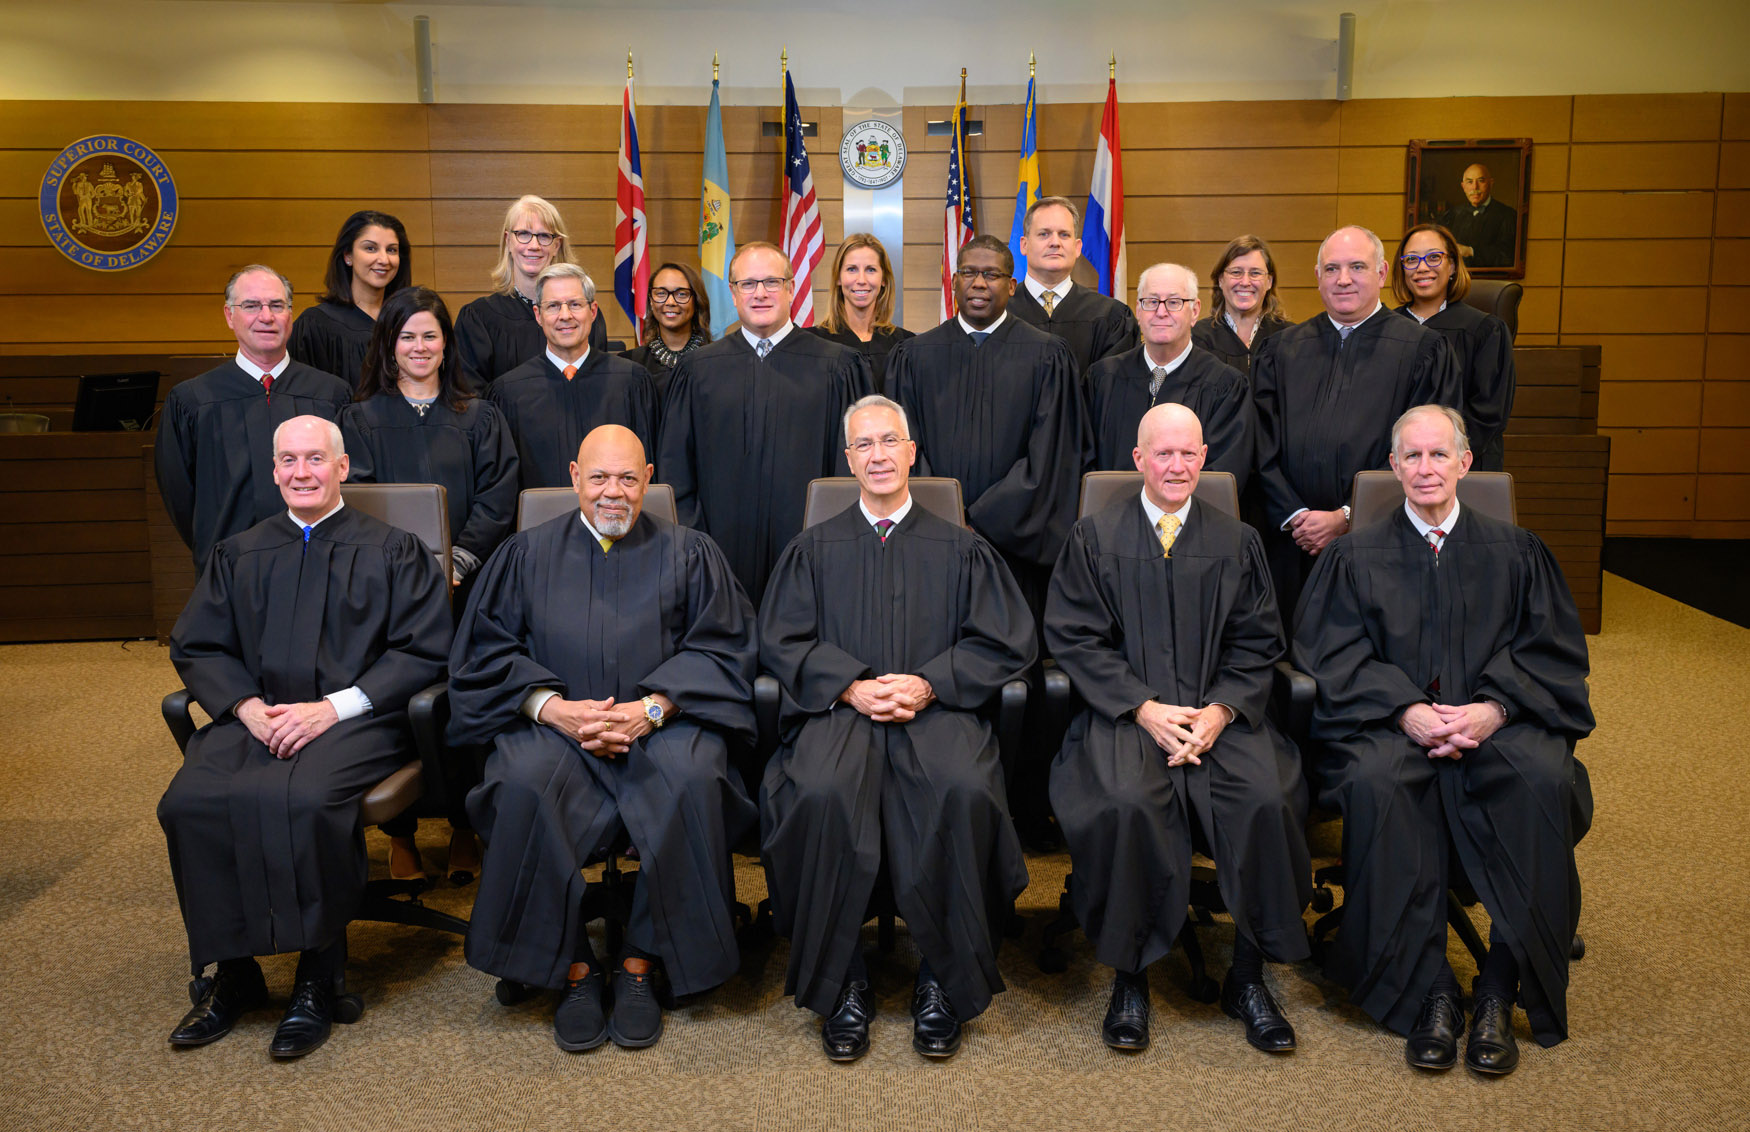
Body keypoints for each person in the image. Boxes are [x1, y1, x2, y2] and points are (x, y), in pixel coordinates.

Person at [1293, 404, 1594, 1076]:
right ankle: (1428, 989)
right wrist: (1405, 709)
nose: (1426, 468)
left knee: (1542, 780)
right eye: (1412, 456)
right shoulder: (1352, 556)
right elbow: (1329, 656)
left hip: (1498, 724)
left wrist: (1493, 709)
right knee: (1380, 782)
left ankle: (1498, 987)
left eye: (1439, 454)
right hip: (1392, 726)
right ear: (1393, 466)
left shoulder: (1517, 552)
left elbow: (1549, 653)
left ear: (1466, 462)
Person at [448, 425, 759, 1052]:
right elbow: (483, 655)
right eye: (598, 477)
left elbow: (724, 649)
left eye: (627, 478)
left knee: (693, 777)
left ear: (648, 480)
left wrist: (653, 708)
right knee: (523, 782)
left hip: (661, 726)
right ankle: (574, 967)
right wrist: (552, 709)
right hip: (556, 730)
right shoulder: (524, 554)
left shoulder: (691, 553)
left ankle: (641, 958)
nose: (612, 492)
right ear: (574, 477)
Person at [158, 415, 451, 1059]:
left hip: (359, 719)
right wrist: (245, 707)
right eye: (288, 461)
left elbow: (425, 650)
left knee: (307, 800)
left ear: (342, 467)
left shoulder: (393, 550)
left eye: (315, 459)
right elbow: (199, 644)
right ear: (274, 471)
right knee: (189, 802)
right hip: (260, 716)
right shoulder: (240, 553)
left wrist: (330, 709)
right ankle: (234, 974)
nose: (301, 472)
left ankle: (318, 977)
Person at [759, 395, 1036, 1062]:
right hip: (840, 713)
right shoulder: (812, 549)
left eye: (890, 442)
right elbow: (782, 640)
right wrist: (849, 685)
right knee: (820, 791)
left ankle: (943, 977)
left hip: (936, 712)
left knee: (962, 788)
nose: (878, 455)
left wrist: (929, 682)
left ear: (912, 453)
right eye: (864, 445)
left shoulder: (962, 547)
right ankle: (842, 979)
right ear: (848, 459)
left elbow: (1005, 641)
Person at [1048, 403, 1311, 1055]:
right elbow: (1075, 638)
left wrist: (1220, 711)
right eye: (1163, 453)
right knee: (1127, 801)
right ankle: (1129, 977)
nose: (1176, 466)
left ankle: (1247, 978)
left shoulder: (1237, 541)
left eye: (1188, 453)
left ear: (1204, 459)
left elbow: (1258, 643)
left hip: (1220, 717)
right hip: (1129, 716)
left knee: (1266, 798)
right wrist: (1143, 707)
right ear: (1138, 459)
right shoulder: (1094, 536)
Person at [341, 286, 518, 885]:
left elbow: (497, 496)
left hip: (467, 588)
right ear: (388, 345)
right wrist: (405, 579)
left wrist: (459, 562)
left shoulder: (479, 415)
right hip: (387, 596)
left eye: (430, 335)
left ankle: (466, 826)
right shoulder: (361, 419)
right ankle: (401, 835)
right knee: (391, 704)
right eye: (406, 336)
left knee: (464, 703)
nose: (419, 347)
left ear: (447, 344)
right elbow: (360, 503)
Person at [1250, 225, 1459, 617]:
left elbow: (1423, 454)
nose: (1343, 279)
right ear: (1318, 277)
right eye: (1332, 269)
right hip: (1292, 541)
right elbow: (1261, 443)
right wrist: (1295, 515)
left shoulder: (1422, 351)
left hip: (1381, 540)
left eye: (1357, 267)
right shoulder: (1281, 350)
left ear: (1381, 273)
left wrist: (1348, 515)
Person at [656, 241, 872, 605]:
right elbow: (676, 468)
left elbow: (850, 467)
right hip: (716, 558)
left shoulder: (837, 366)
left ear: (790, 288)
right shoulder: (698, 370)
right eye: (748, 284)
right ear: (733, 293)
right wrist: (695, 543)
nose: (760, 293)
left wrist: (832, 542)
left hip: (814, 555)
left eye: (772, 282)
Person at [155, 266, 352, 568]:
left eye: (277, 305)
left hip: (322, 563)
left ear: (290, 314)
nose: (266, 316)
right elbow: (179, 496)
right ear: (229, 315)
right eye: (251, 306)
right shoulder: (193, 400)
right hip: (229, 566)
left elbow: (347, 484)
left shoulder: (330, 394)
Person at [487, 264, 659, 489]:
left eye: (575, 304)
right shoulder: (509, 392)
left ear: (593, 311)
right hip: (539, 512)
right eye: (553, 306)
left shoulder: (632, 381)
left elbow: (649, 474)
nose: (565, 316)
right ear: (538, 315)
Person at [1086, 263, 1255, 489]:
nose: (1161, 312)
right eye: (1151, 302)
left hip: (1189, 512)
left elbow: (1222, 477)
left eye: (1174, 302)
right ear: (1138, 311)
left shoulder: (1225, 386)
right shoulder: (1103, 378)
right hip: (1110, 510)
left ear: (1195, 311)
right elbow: (1084, 463)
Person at [1392, 223, 1516, 472]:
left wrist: (1439, 459)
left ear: (1452, 266)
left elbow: (1487, 415)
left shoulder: (1484, 330)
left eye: (1434, 257)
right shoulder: (1385, 329)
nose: (1422, 267)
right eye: (1411, 260)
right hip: (1395, 467)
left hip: (1463, 468)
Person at [454, 195, 608, 389]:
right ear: (508, 241)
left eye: (544, 236)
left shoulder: (582, 314)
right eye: (523, 234)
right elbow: (469, 396)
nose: (534, 246)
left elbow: (598, 385)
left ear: (557, 245)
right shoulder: (478, 318)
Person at [1008, 196, 1139, 375]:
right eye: (1044, 234)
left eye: (1064, 234)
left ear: (1077, 247)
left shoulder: (1111, 316)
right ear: (1024, 245)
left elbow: (1115, 384)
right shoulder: (999, 311)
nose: (1055, 242)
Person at [288, 210, 413, 385]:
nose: (384, 259)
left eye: (391, 250)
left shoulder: (409, 323)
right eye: (371, 248)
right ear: (348, 255)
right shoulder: (315, 325)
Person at [808, 234, 914, 395]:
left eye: (871, 270)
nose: (861, 280)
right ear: (838, 278)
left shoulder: (905, 345)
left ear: (883, 279)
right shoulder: (814, 343)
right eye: (852, 269)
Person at [1191, 234, 1294, 377]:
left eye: (1255, 273)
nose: (1245, 282)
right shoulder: (1197, 339)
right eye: (1236, 272)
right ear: (1221, 280)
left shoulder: (1290, 338)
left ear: (1269, 282)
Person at [619, 262, 712, 401]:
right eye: (661, 293)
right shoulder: (629, 364)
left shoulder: (717, 361)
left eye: (681, 294)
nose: (670, 302)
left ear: (696, 301)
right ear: (651, 300)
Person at [1439, 163, 1518, 269]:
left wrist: (1471, 251)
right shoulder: (1453, 214)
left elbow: (1508, 256)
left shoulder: (1508, 215)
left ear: (1491, 183)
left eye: (1481, 181)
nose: (1475, 187)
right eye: (1470, 182)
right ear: (1463, 187)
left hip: (1490, 277)